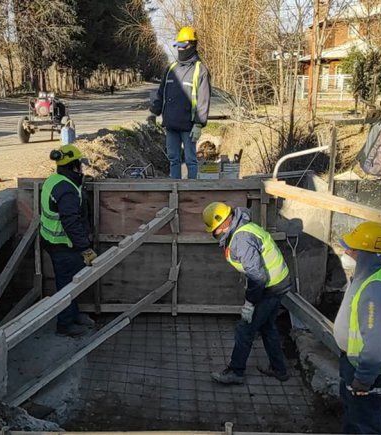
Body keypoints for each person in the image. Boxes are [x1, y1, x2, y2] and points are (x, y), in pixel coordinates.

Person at [203, 202, 292, 385]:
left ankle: (236, 372)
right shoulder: (243, 228)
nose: (215, 234)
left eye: (216, 230)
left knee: (245, 330)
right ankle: (279, 370)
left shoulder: (241, 238)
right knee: (267, 327)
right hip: (277, 283)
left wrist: (250, 303)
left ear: (225, 223)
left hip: (270, 288)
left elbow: (257, 275)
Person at [334, 221, 381, 434]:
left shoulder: (375, 290)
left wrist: (364, 379)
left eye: (351, 249)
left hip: (367, 368)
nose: (346, 252)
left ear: (366, 253)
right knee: (355, 412)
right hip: (356, 362)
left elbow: (376, 343)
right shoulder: (366, 277)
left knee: (366, 420)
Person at [40, 145, 98, 337]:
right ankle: (64, 324)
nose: (81, 167)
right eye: (79, 164)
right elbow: (70, 222)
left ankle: (74, 314)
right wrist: (85, 248)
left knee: (69, 282)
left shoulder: (56, 180)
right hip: (63, 246)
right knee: (66, 285)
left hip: (54, 242)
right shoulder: (67, 190)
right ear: (74, 165)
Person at [149, 26, 211, 179]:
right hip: (170, 123)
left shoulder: (200, 70)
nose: (181, 49)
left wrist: (199, 123)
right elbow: (161, 91)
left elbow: (203, 99)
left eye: (184, 45)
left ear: (192, 45)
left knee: (190, 160)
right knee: (173, 159)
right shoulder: (171, 68)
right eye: (179, 45)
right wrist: (154, 112)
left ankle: (191, 193)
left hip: (189, 126)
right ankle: (174, 189)